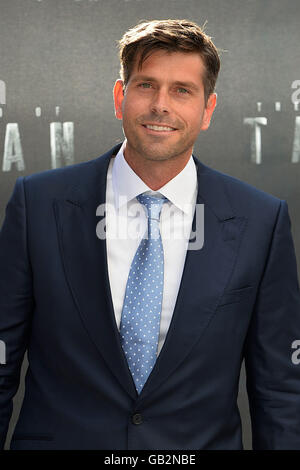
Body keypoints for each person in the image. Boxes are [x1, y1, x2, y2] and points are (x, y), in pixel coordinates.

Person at [0, 19, 300, 451]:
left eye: (182, 90)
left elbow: (281, 391)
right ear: (120, 96)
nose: (161, 105)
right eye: (146, 86)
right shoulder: (38, 204)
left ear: (208, 109)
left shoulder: (261, 220)